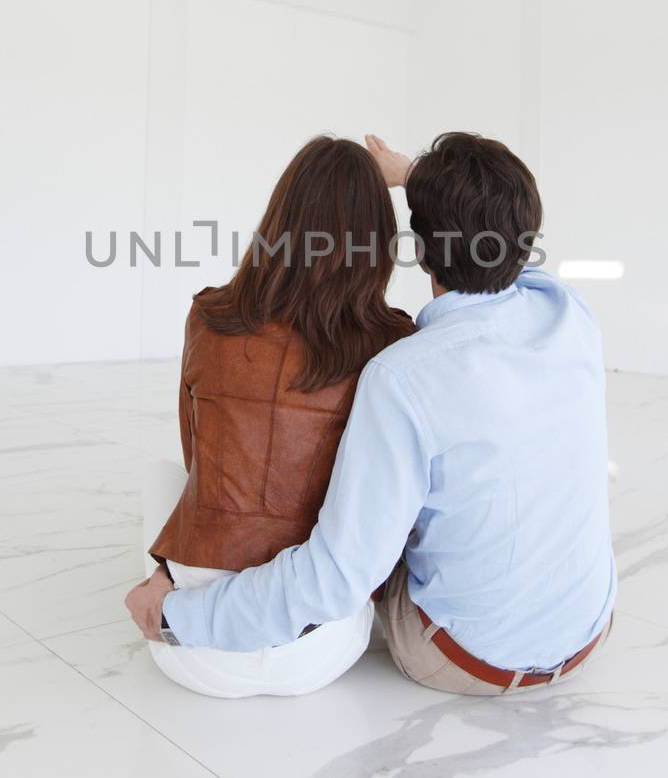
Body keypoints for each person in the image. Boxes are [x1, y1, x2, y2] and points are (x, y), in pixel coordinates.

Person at [127, 132, 616, 696]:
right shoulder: (572, 316)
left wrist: (176, 615)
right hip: (586, 636)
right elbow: (508, 250)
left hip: (455, 661)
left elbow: (334, 575)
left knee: (182, 481)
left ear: (422, 251)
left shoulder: (400, 372)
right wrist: (414, 176)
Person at [131, 135, 414, 698]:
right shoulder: (393, 340)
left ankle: (166, 581)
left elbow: (198, 455)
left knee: (161, 475)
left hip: (190, 650)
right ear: (379, 239)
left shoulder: (210, 316)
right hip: (322, 650)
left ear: (278, 218)